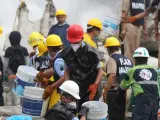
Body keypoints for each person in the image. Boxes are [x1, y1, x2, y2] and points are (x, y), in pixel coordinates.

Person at [60, 24, 103, 110]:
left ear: (82, 39)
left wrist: (95, 85)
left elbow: (100, 71)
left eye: (76, 42)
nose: (74, 44)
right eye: (72, 42)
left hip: (90, 89)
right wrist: (67, 86)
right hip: (76, 89)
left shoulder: (92, 52)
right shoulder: (66, 53)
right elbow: (67, 71)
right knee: (75, 111)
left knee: (89, 113)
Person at [120, 47, 159, 120]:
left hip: (142, 101)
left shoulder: (133, 70)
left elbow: (123, 87)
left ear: (135, 59)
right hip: (155, 99)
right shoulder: (154, 70)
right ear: (147, 59)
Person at [103, 37, 133, 120]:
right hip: (129, 91)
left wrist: (106, 90)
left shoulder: (112, 59)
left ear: (108, 49)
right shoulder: (128, 60)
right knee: (122, 115)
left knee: (114, 116)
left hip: (116, 92)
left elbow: (112, 75)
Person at [35, 34, 65, 109]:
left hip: (62, 92)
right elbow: (55, 69)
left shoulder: (58, 60)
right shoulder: (61, 55)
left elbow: (64, 76)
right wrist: (43, 74)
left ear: (49, 49)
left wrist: (51, 87)